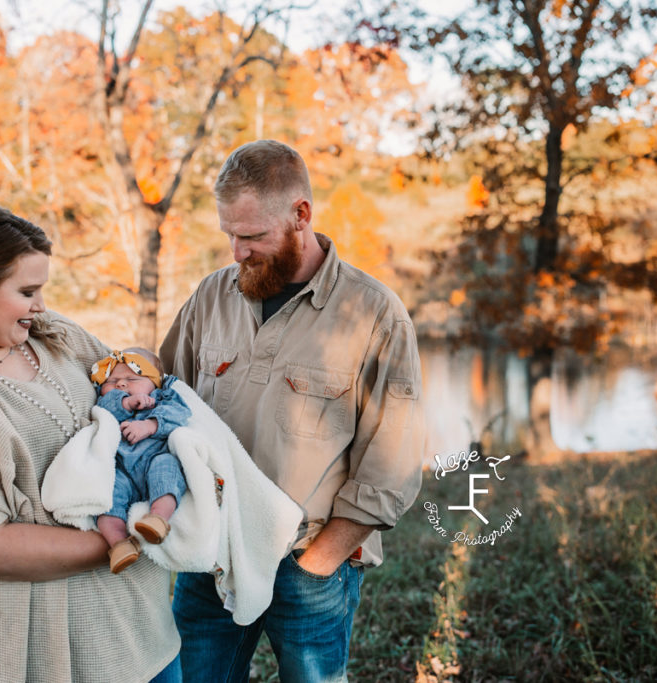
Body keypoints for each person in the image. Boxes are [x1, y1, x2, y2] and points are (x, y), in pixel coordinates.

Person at [159, 140, 425, 682]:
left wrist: (322, 560)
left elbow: (392, 460)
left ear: (301, 215)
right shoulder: (211, 297)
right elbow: (167, 400)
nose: (237, 252)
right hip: (212, 554)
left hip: (308, 564)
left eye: (252, 236)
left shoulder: (374, 313)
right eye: (229, 235)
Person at [0, 207, 180, 683]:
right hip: (39, 647)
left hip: (139, 631)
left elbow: (140, 393)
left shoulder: (57, 338)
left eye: (41, 289)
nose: (41, 305)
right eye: (26, 292)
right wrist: (117, 537)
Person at [88, 348, 191, 573]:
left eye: (132, 379)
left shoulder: (163, 396)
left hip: (154, 458)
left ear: (155, 382)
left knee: (167, 469)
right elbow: (103, 409)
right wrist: (126, 404)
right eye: (112, 380)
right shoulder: (111, 401)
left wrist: (150, 425)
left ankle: (157, 519)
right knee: (107, 496)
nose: (121, 384)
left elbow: (180, 415)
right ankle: (118, 543)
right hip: (121, 469)